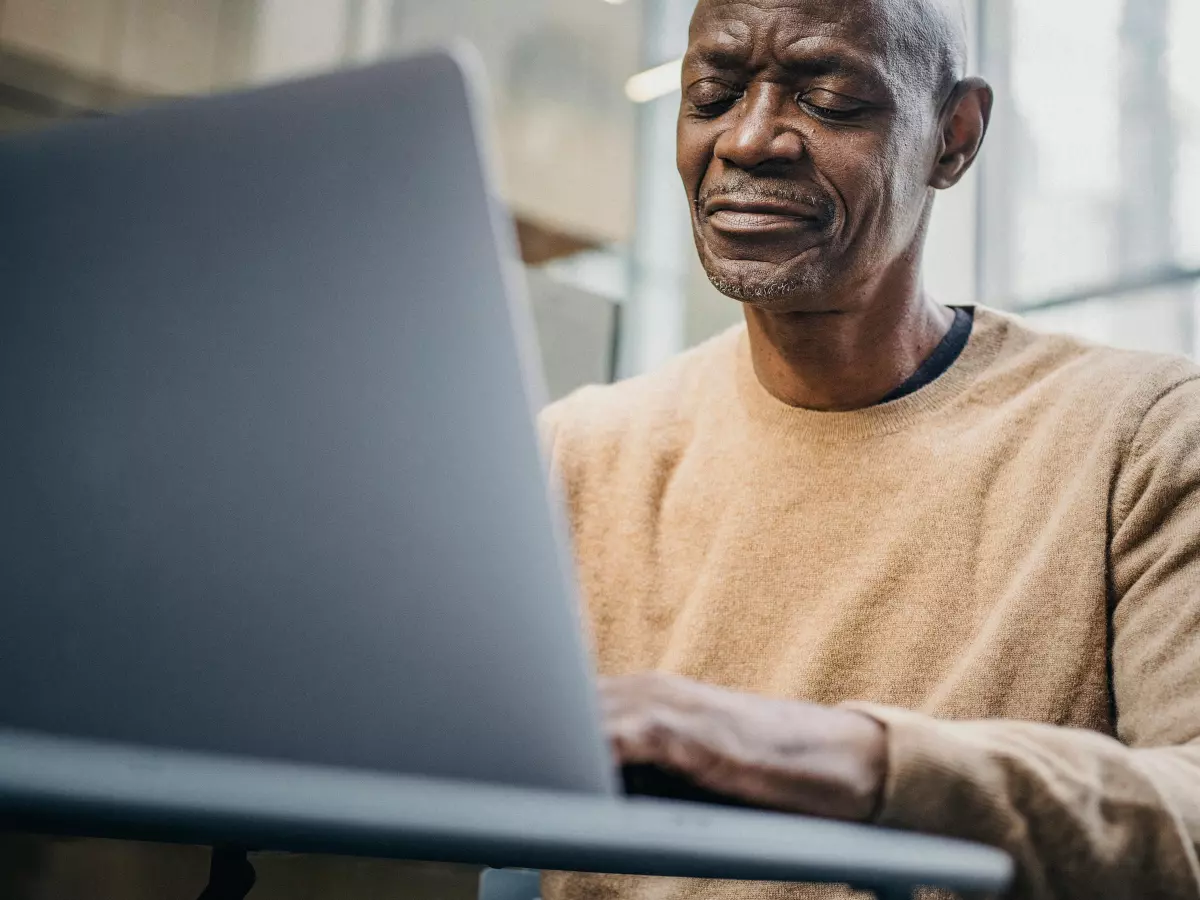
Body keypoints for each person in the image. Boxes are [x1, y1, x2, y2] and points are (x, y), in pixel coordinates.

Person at [538, 0, 1200, 898]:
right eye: (712, 94)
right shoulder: (575, 451)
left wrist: (851, 758)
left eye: (829, 100)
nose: (750, 140)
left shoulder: (1146, 432)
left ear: (954, 137)